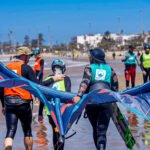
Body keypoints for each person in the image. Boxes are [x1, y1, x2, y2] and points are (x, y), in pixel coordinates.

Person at [0, 46, 65, 150]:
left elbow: (1, 87)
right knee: (27, 131)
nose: (29, 58)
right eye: (28, 56)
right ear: (23, 56)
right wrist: (53, 79)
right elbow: (38, 85)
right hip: (23, 103)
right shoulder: (26, 68)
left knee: (10, 131)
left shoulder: (6, 68)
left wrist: (3, 105)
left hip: (9, 103)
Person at [72, 48, 119, 150]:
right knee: (102, 132)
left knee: (95, 129)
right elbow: (115, 88)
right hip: (106, 101)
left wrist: (79, 96)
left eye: (90, 56)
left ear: (93, 58)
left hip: (92, 102)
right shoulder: (110, 69)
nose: (89, 58)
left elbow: (85, 82)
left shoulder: (89, 68)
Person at [38, 59, 71, 150]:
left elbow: (42, 97)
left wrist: (40, 113)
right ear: (63, 68)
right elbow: (68, 95)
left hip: (50, 111)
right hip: (62, 111)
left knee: (55, 131)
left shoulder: (48, 79)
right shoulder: (66, 79)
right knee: (61, 132)